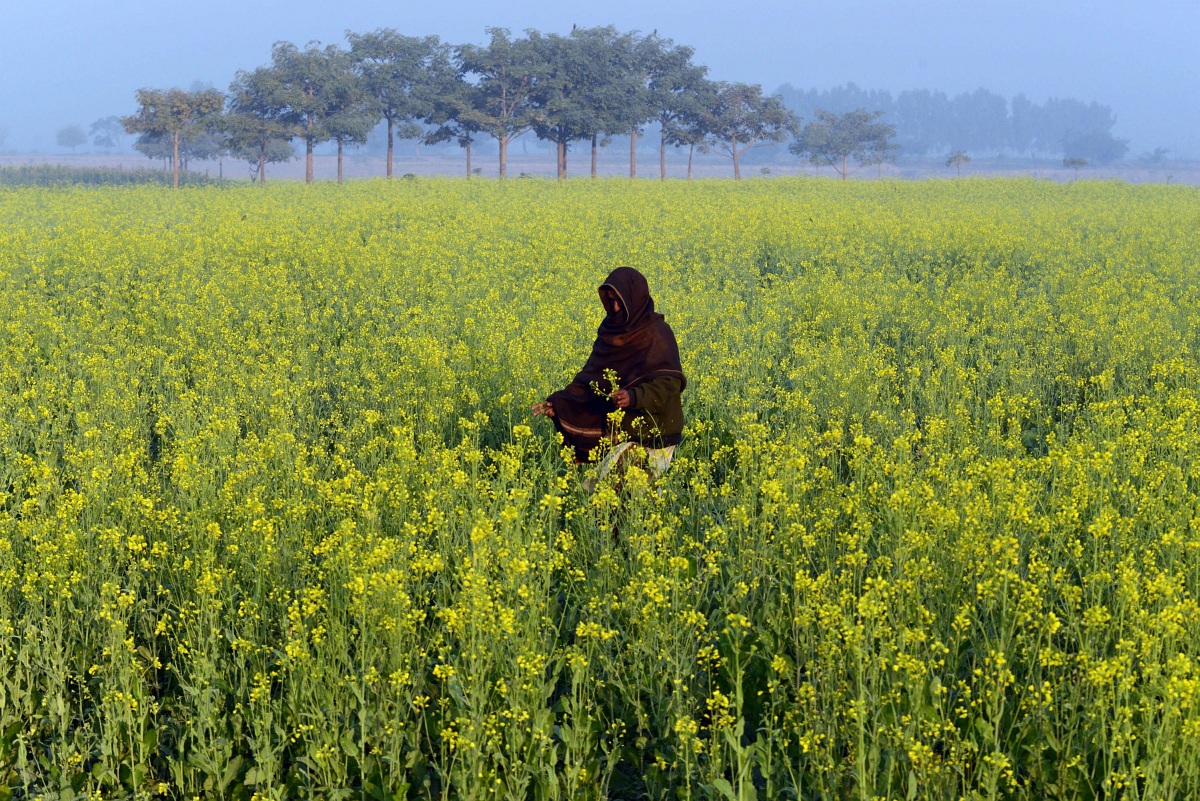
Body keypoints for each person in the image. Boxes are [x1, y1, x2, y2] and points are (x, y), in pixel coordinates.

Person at [532, 266, 685, 482]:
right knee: (615, 496)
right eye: (610, 300)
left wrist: (634, 397)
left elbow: (669, 384)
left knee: (618, 495)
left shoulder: (657, 333)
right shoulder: (610, 332)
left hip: (654, 432)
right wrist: (559, 403)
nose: (614, 307)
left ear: (635, 298)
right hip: (623, 430)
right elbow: (590, 380)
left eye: (619, 301)